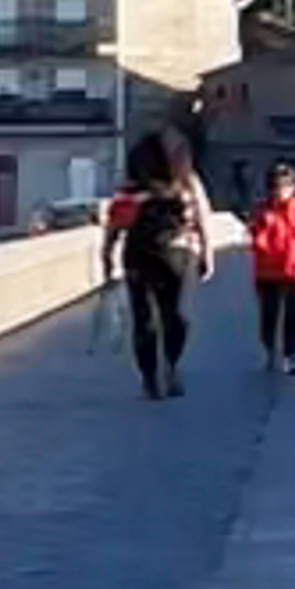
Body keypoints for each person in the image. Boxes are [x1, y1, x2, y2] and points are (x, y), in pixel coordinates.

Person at [102, 133, 213, 402]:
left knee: (144, 320)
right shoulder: (187, 183)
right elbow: (203, 216)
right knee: (174, 315)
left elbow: (115, 226)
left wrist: (106, 257)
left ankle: (150, 378)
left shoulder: (131, 188)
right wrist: (206, 253)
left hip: (138, 255)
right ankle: (172, 367)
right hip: (176, 254)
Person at [247, 166, 295, 371]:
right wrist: (261, 227)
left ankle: (290, 356)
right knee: (268, 316)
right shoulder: (261, 210)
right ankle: (270, 351)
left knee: (293, 315)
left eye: (285, 186)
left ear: (294, 187)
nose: (280, 191)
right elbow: (255, 239)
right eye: (276, 186)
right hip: (267, 271)